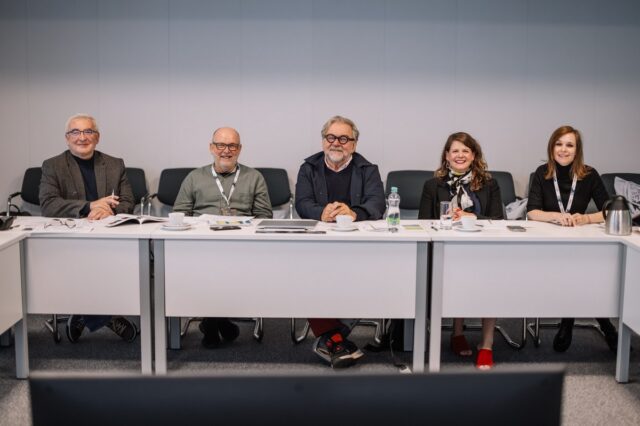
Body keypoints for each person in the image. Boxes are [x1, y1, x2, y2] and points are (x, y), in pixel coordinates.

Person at [295, 115, 385, 368]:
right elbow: (302, 203)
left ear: (354, 144)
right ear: (323, 141)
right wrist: (321, 212)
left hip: (357, 244)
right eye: (331, 137)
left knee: (375, 276)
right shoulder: (308, 168)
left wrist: (354, 213)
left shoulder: (368, 169)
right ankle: (334, 338)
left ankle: (331, 338)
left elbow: (377, 203)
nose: (336, 143)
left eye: (344, 139)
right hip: (318, 244)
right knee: (305, 274)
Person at [39, 113, 138, 343]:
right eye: (75, 132)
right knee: (83, 263)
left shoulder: (115, 164)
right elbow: (48, 204)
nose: (82, 137)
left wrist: (109, 211)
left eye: (88, 131)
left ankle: (84, 314)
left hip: (108, 237)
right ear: (67, 138)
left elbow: (128, 201)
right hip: (70, 239)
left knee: (114, 263)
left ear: (97, 137)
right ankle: (105, 317)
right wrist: (89, 206)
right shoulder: (52, 165)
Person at [173, 127, 272, 348]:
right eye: (221, 145)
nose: (226, 150)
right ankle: (220, 322)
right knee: (208, 267)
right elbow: (180, 213)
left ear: (240, 149)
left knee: (224, 269)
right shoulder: (194, 177)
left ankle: (211, 323)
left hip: (242, 245)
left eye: (232, 146)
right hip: (201, 245)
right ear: (211, 148)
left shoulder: (254, 177)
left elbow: (264, 216)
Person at [527, 125, 618, 353]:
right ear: (551, 147)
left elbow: (609, 210)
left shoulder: (589, 174)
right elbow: (532, 212)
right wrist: (556, 216)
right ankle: (605, 325)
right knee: (580, 271)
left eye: (569, 145)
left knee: (584, 268)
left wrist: (586, 219)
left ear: (577, 150)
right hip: (548, 241)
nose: (563, 149)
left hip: (579, 241)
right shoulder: (542, 172)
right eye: (559, 144)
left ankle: (568, 321)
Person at [418, 132, 503, 370]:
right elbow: (423, 222)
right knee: (453, 275)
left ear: (474, 155)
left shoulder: (490, 184)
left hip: (484, 249)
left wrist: (471, 217)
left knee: (489, 281)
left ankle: (486, 344)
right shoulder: (432, 185)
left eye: (465, 151)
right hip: (445, 249)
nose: (460, 155)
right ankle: (457, 334)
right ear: (446, 155)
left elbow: (498, 220)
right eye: (455, 150)